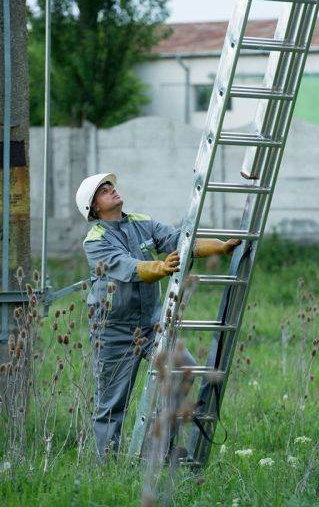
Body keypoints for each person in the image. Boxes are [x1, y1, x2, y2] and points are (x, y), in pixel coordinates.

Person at [75, 172, 241, 459]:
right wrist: (161, 268)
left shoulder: (141, 222)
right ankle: (107, 466)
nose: (112, 190)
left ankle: (157, 449)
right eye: (103, 191)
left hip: (152, 325)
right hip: (113, 330)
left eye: (111, 185)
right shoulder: (95, 240)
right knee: (112, 403)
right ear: (95, 208)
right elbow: (125, 267)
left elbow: (180, 240)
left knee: (183, 370)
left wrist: (220, 246)